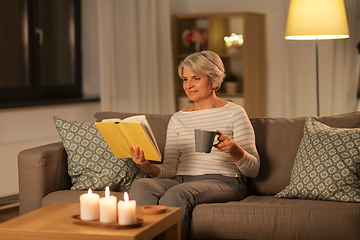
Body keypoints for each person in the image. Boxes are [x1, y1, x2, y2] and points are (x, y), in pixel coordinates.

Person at [129, 50, 260, 240]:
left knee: (176, 194)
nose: (188, 85)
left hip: (226, 181)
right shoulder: (177, 118)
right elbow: (171, 169)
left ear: (214, 81)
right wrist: (146, 166)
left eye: (196, 78)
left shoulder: (235, 113)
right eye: (184, 79)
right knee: (141, 186)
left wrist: (234, 149)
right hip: (181, 179)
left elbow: (254, 169)